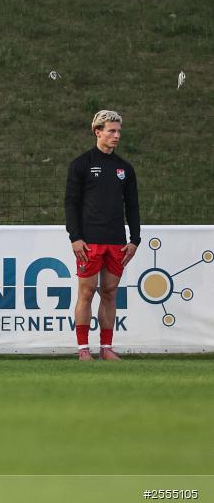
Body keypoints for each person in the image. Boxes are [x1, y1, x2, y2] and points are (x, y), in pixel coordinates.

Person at [65, 110, 140, 361]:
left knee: (109, 292)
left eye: (118, 131)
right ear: (98, 131)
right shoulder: (81, 164)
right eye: (111, 130)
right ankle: (83, 349)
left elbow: (132, 205)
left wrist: (135, 239)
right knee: (86, 292)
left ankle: (106, 348)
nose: (116, 135)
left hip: (117, 242)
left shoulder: (125, 169)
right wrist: (75, 237)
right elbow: (71, 203)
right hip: (89, 241)